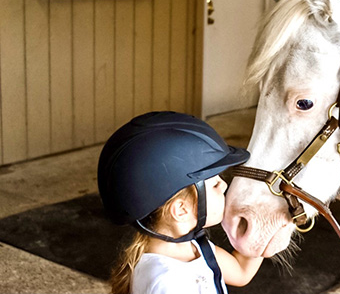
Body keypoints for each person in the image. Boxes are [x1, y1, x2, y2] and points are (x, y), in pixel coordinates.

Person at [97, 111, 263, 294]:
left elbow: (241, 272)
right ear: (181, 210)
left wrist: (265, 218)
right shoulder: (166, 282)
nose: (224, 185)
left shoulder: (193, 247)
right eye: (215, 184)